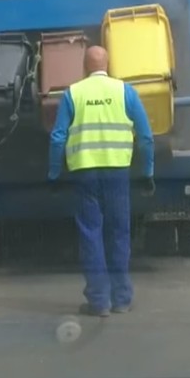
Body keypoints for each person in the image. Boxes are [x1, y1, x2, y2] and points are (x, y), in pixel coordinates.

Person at [48, 46, 155, 317]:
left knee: (90, 234)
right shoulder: (125, 91)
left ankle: (99, 302)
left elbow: (58, 136)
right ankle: (121, 299)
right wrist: (148, 170)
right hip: (118, 172)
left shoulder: (73, 93)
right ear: (109, 65)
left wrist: (53, 173)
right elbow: (145, 135)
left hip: (85, 174)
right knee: (119, 233)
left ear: (84, 66)